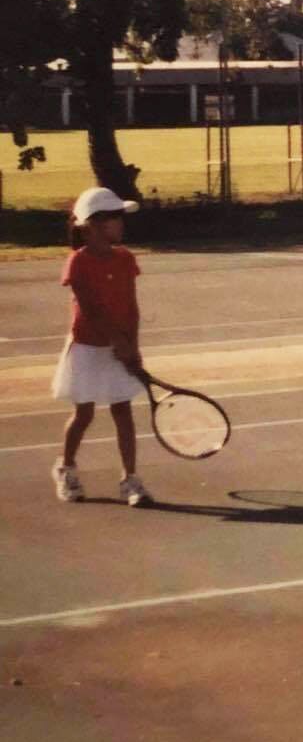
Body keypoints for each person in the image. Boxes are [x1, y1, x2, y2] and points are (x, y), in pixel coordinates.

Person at [51, 186, 154, 507]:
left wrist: (132, 347)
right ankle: (66, 468)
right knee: (84, 412)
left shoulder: (126, 259)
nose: (122, 224)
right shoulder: (77, 263)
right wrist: (118, 342)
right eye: (116, 218)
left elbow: (132, 306)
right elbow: (91, 309)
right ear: (94, 225)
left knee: (123, 411)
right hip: (87, 347)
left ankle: (130, 480)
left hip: (120, 345)